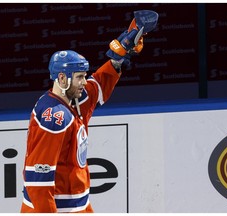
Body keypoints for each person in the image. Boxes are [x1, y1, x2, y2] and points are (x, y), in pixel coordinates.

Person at [20, 18, 145, 213]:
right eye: (79, 77)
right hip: (57, 209)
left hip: (78, 205)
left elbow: (98, 84)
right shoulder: (54, 117)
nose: (84, 82)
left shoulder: (73, 99)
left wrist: (120, 56)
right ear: (62, 78)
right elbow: (38, 178)